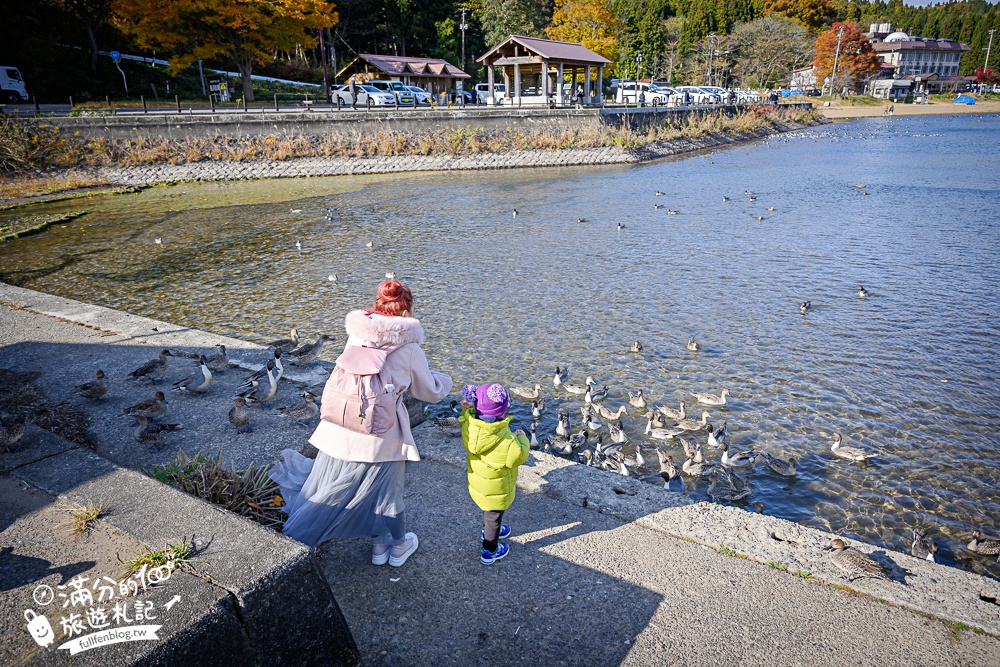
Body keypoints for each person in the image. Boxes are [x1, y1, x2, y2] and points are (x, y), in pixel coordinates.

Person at [270, 280, 453, 566]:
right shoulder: (410, 347)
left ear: (378, 306)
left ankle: (379, 546)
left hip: (343, 424)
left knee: (355, 487)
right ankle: (396, 547)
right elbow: (427, 391)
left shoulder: (357, 335)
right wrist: (445, 380)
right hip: (380, 433)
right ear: (407, 311)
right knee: (389, 492)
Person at [458, 383, 530, 565]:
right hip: (496, 489)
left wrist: (467, 411)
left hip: (479, 484)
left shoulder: (471, 427)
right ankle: (489, 551)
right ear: (503, 412)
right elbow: (519, 456)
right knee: (494, 518)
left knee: (489, 513)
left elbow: (465, 417)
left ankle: (487, 531)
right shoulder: (507, 440)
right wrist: (522, 437)